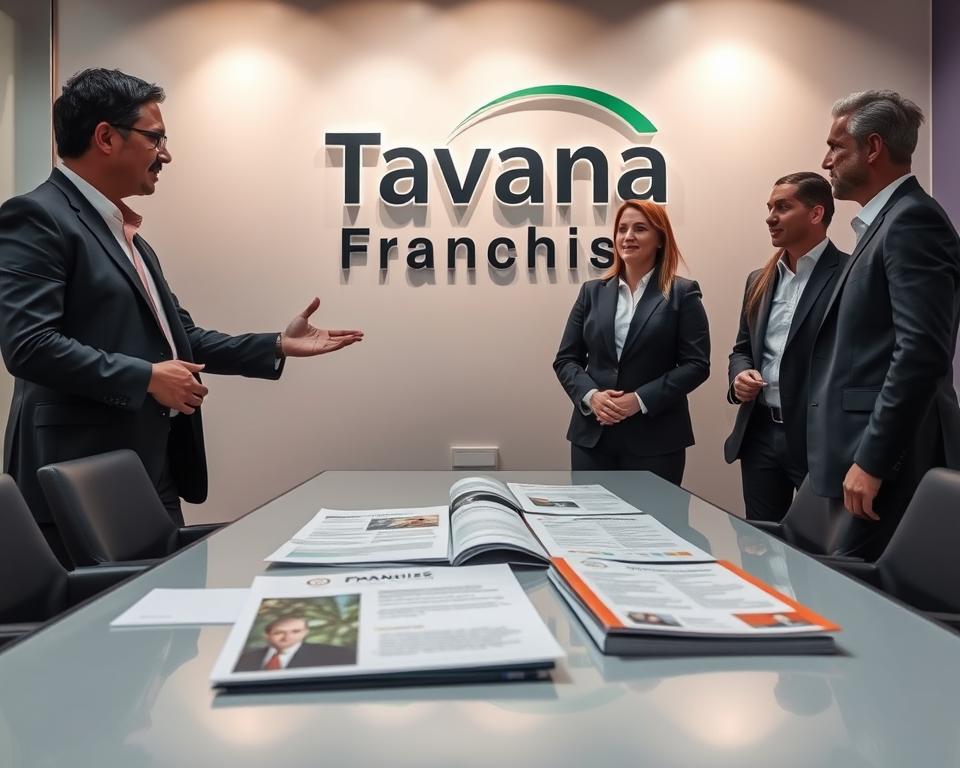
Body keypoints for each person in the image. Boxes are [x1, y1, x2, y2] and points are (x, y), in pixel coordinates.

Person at [0, 69, 363, 563]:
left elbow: (180, 340)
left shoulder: (128, 237)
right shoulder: (37, 217)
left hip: (149, 467)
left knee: (166, 623)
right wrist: (146, 377)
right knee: (105, 627)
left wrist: (276, 344)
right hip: (77, 476)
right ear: (106, 137)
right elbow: (29, 346)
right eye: (156, 138)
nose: (166, 154)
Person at [808, 89, 960, 558]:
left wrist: (873, 461)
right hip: (860, 459)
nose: (826, 160)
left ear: (872, 148)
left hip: (889, 465)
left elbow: (921, 353)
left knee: (863, 608)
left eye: (836, 146)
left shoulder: (912, 221)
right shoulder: (884, 223)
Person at [553, 199, 710, 484]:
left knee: (654, 526)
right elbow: (566, 360)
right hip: (593, 436)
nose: (628, 237)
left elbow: (696, 364)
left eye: (640, 229)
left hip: (656, 439)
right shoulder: (592, 293)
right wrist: (592, 397)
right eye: (622, 229)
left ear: (660, 239)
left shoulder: (682, 293)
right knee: (591, 525)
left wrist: (638, 400)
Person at [724, 173, 847, 522]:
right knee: (759, 545)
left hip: (819, 436)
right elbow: (742, 348)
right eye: (769, 207)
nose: (770, 217)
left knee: (818, 551)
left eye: (783, 207)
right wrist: (739, 377)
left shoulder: (850, 274)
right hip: (760, 433)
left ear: (816, 213)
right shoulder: (758, 279)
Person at [234, 615, 356, 672]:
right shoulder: (244, 659)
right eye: (279, 633)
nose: (287, 637)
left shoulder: (335, 655)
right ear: (267, 635)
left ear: (305, 632)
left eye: (296, 631)